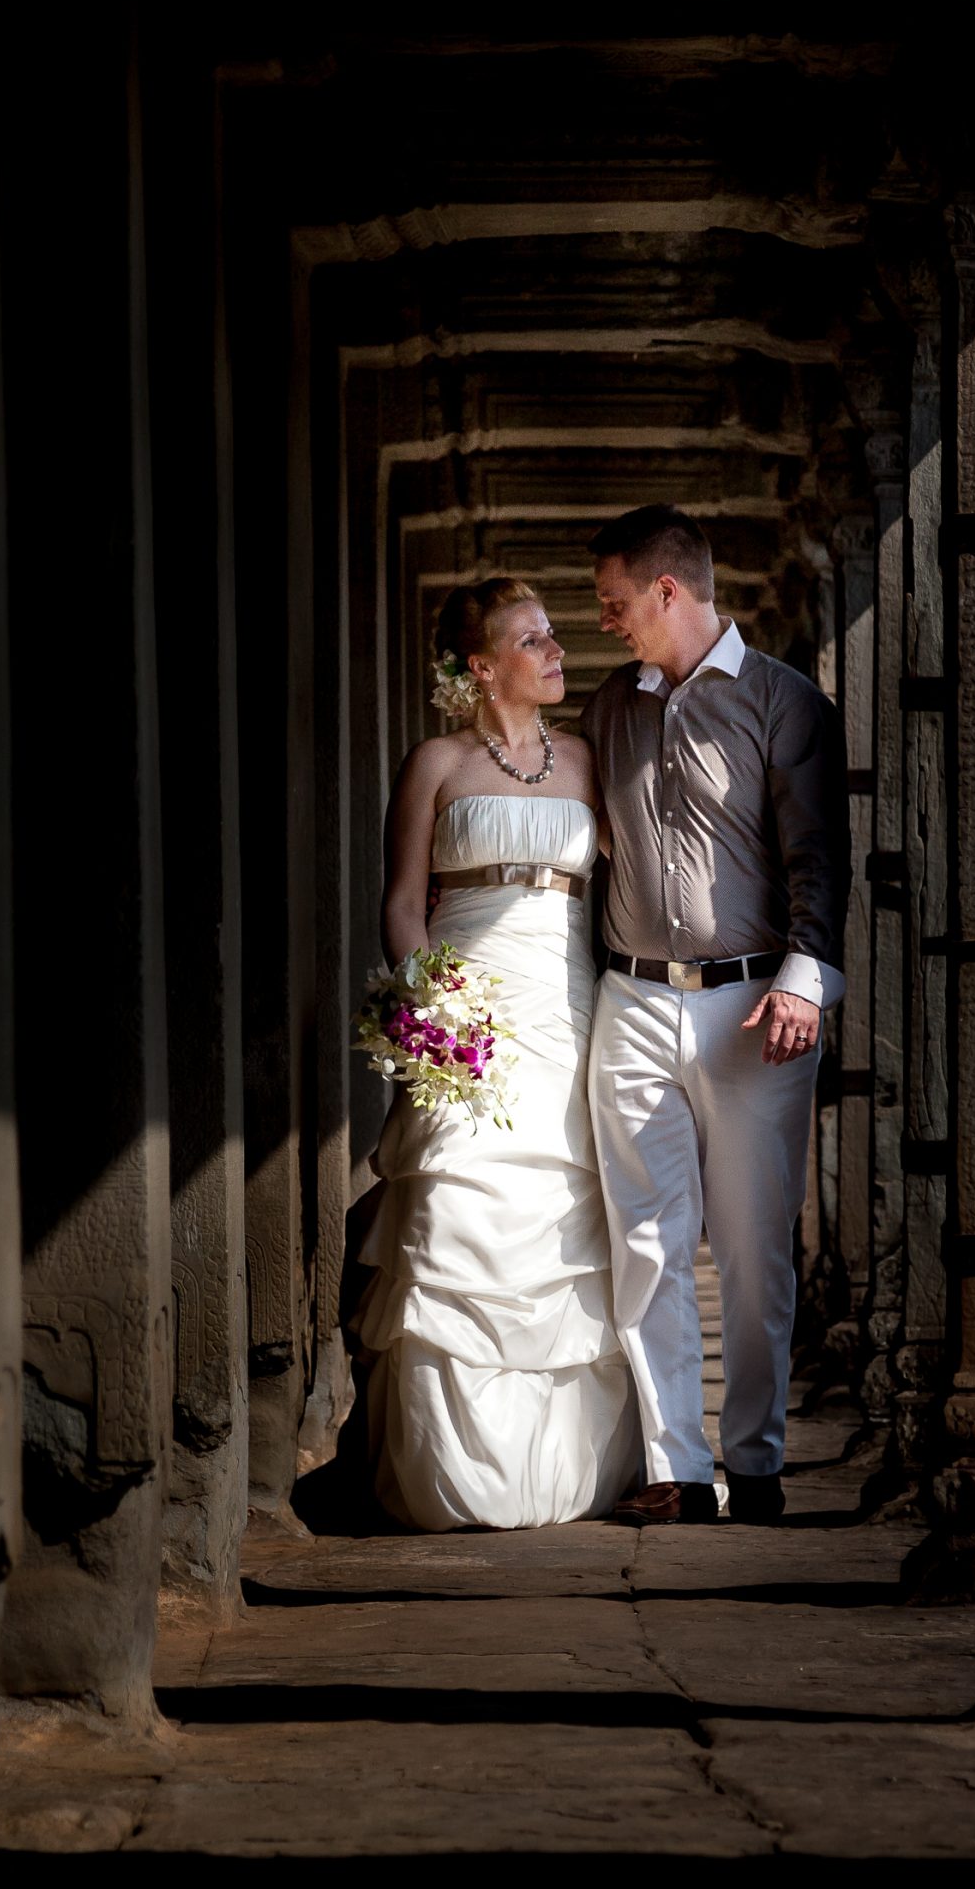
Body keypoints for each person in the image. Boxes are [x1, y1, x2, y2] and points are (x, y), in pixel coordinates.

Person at [577, 505, 847, 1526]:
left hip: (752, 1006)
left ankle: (758, 1459)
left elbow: (821, 855)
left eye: (615, 604)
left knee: (750, 1245)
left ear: (667, 591)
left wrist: (806, 976)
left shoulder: (788, 702)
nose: (606, 622)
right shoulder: (611, 707)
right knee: (646, 1239)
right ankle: (680, 1467)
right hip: (633, 995)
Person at [352, 577, 640, 1529]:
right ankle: (453, 1473)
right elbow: (402, 900)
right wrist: (428, 1006)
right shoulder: (435, 762)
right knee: (449, 1209)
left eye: (554, 633)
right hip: (465, 1011)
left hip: (564, 1006)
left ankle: (564, 1468)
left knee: (566, 1223)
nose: (557, 650)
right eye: (534, 638)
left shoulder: (591, 762)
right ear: (482, 665)